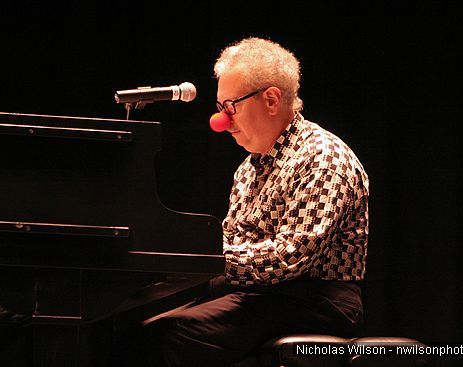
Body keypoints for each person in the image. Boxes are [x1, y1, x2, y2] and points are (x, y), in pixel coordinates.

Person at [111, 37, 369, 367]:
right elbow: (234, 242)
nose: (223, 121)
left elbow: (289, 258)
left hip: (314, 301)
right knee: (138, 336)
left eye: (230, 106)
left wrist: (204, 257)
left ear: (272, 100)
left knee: (161, 341)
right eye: (220, 108)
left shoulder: (320, 157)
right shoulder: (249, 167)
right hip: (261, 296)